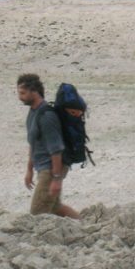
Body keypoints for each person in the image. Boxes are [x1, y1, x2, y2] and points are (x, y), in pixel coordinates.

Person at [16, 73, 80, 219]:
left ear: (34, 91)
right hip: (43, 168)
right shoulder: (33, 112)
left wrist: (56, 178)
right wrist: (29, 170)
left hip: (51, 169)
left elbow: (56, 149)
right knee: (55, 207)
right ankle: (85, 226)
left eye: (23, 93)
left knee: (37, 214)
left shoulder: (46, 116)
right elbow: (33, 143)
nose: (20, 97)